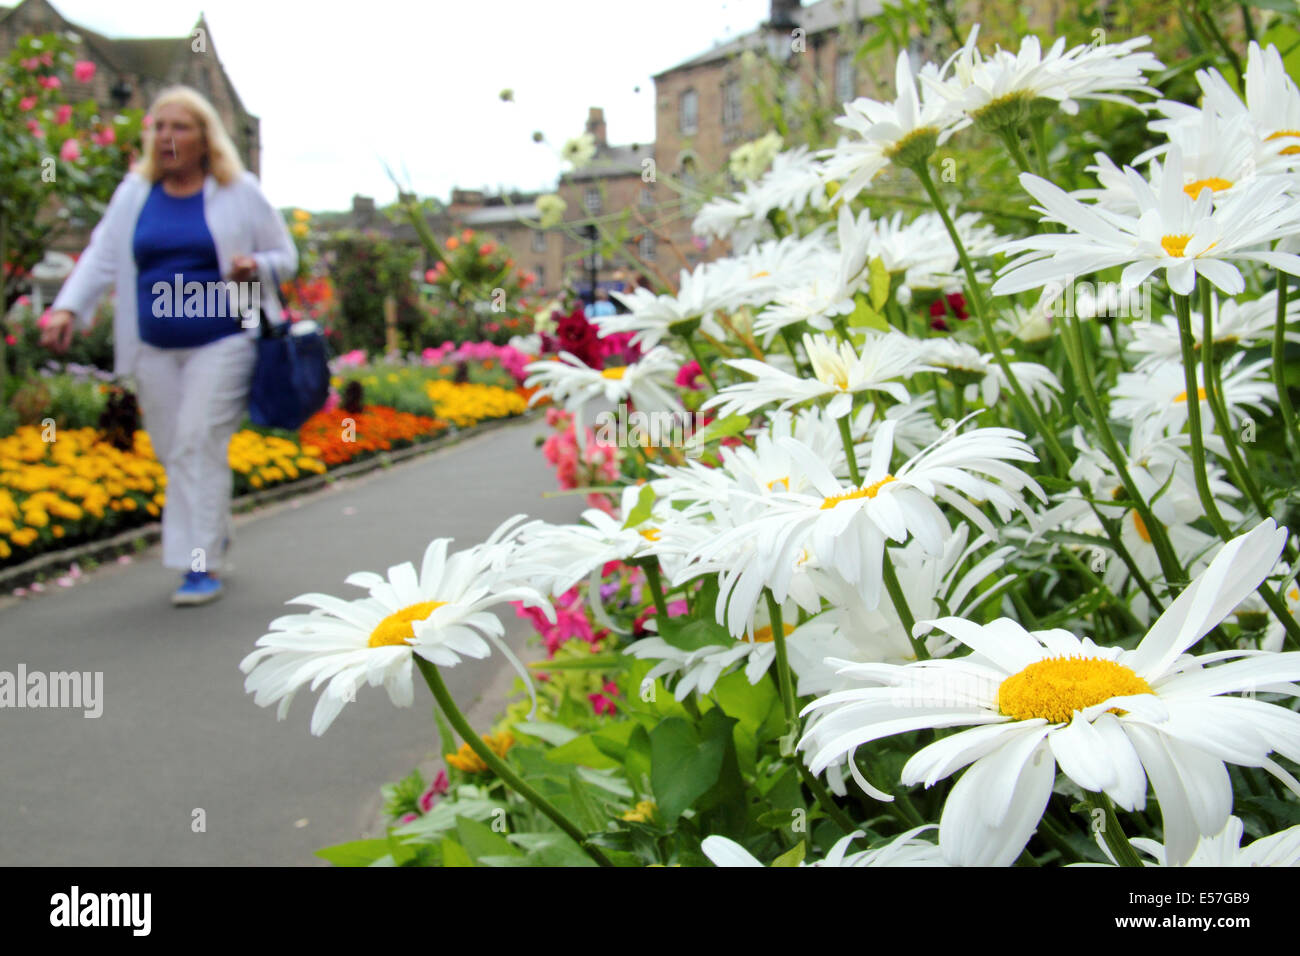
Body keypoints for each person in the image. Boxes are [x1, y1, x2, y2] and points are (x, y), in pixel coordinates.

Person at [41, 85, 296, 607]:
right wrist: (68, 306)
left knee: (196, 441)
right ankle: (211, 533)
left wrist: (257, 266)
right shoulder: (135, 194)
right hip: (154, 346)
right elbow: (102, 256)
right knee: (172, 450)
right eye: (159, 127)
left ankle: (197, 564)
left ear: (206, 138)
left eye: (180, 126)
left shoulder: (237, 189)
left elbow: (284, 254)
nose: (167, 137)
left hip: (224, 338)